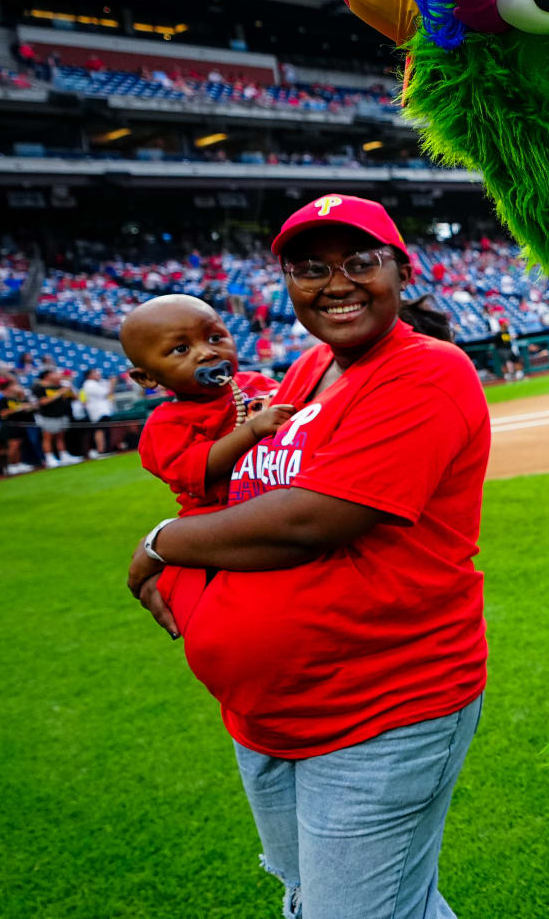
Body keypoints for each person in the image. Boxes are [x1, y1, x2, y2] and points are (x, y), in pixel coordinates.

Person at [123, 194, 486, 919]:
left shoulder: (426, 370)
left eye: (360, 261)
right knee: (326, 899)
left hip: (380, 705)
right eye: (310, 268)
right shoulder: (306, 372)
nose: (335, 282)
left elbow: (310, 521)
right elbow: (237, 484)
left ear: (400, 271)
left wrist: (160, 543)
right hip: (270, 713)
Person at [120, 294, 293, 635]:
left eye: (215, 337)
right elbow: (199, 467)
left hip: (281, 496)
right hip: (214, 517)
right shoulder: (165, 424)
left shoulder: (258, 385)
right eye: (181, 349)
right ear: (146, 378)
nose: (207, 352)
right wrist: (253, 430)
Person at [34, 368, 78, 465]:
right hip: (48, 416)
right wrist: (60, 393)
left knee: (60, 436)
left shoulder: (59, 385)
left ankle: (64, 455)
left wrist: (69, 389)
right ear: (47, 375)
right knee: (48, 437)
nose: (57, 375)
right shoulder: (39, 387)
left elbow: (74, 398)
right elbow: (42, 402)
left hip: (61, 414)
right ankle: (49, 458)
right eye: (53, 373)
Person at [0, 380, 38, 475]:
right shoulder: (2, 400)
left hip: (20, 425)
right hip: (10, 426)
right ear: (8, 387)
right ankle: (11, 466)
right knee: (13, 446)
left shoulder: (16, 399)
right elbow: (3, 413)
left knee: (19, 446)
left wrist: (26, 407)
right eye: (13, 385)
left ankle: (18, 464)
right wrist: (18, 408)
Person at [80, 367, 115, 458]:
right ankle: (101, 450)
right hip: (98, 411)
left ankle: (104, 449)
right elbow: (106, 393)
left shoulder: (96, 383)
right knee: (100, 430)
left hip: (103, 410)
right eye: (94, 373)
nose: (98, 374)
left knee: (103, 430)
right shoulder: (89, 384)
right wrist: (112, 383)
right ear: (89, 376)